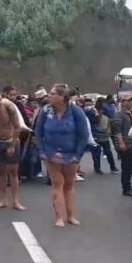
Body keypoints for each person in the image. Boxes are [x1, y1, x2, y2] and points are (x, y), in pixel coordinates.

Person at [34, 84, 89, 227]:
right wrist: (42, 151)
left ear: (63, 97)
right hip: (50, 152)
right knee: (57, 183)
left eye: (53, 94)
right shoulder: (45, 111)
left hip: (71, 153)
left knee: (69, 185)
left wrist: (78, 155)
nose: (49, 96)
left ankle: (71, 215)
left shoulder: (76, 112)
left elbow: (84, 135)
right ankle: (59, 217)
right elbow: (38, 133)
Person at [113, 93, 132, 197]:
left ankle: (128, 187)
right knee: (126, 168)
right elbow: (117, 130)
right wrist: (121, 143)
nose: (131, 102)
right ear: (123, 102)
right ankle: (126, 188)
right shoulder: (119, 114)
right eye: (128, 100)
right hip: (125, 144)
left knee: (131, 166)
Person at [89, 98, 118, 174]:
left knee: (109, 153)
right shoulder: (93, 117)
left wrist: (108, 132)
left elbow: (109, 126)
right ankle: (97, 168)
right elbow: (93, 127)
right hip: (97, 138)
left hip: (105, 138)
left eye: (101, 110)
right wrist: (100, 130)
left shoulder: (106, 118)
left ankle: (113, 167)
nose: (100, 111)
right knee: (96, 154)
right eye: (99, 110)